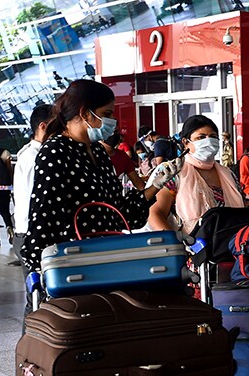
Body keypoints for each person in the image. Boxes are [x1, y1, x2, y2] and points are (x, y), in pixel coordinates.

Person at [21, 80, 181, 273]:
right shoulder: (55, 152)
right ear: (84, 113)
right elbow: (44, 217)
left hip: (108, 256)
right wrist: (40, 268)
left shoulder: (98, 151)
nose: (113, 121)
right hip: (73, 263)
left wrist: (156, 185)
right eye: (107, 113)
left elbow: (119, 213)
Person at [148, 115, 246, 234]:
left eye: (213, 137)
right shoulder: (174, 172)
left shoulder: (228, 174)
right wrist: (175, 244)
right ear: (185, 142)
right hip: (191, 247)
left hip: (233, 245)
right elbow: (155, 213)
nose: (208, 141)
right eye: (201, 137)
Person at [13, 103, 54, 272]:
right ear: (43, 127)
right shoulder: (33, 157)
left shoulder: (39, 154)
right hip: (32, 236)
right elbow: (37, 200)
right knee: (38, 293)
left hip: (35, 234)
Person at [100, 129, 160, 200]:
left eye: (116, 131)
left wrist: (156, 187)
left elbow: (139, 185)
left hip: (115, 202)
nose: (114, 135)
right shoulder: (94, 155)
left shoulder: (122, 156)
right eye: (111, 131)